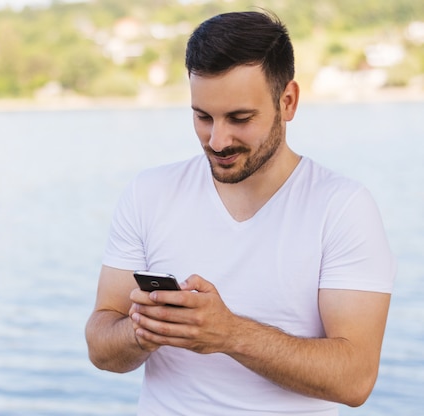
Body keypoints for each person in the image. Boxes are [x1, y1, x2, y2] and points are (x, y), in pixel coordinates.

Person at [84, 10, 396, 416]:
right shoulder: (150, 193)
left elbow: (355, 380)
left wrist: (229, 334)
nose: (217, 140)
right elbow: (100, 347)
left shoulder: (342, 208)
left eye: (239, 118)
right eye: (203, 117)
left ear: (287, 101)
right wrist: (144, 330)